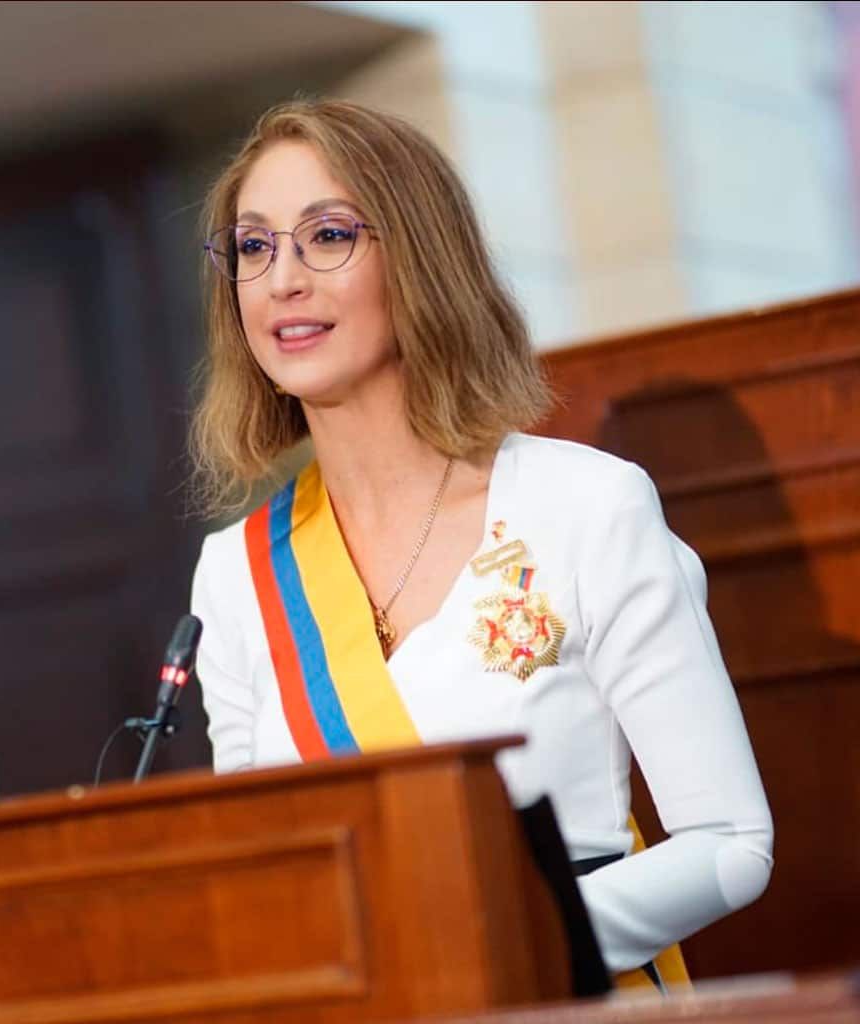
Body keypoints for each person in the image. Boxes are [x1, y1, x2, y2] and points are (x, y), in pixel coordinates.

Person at [186, 99, 773, 990]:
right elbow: (263, 873)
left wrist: (493, 942)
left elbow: (731, 844)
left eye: (328, 235)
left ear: (422, 258)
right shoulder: (237, 572)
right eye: (254, 247)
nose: (283, 280)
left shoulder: (584, 505)